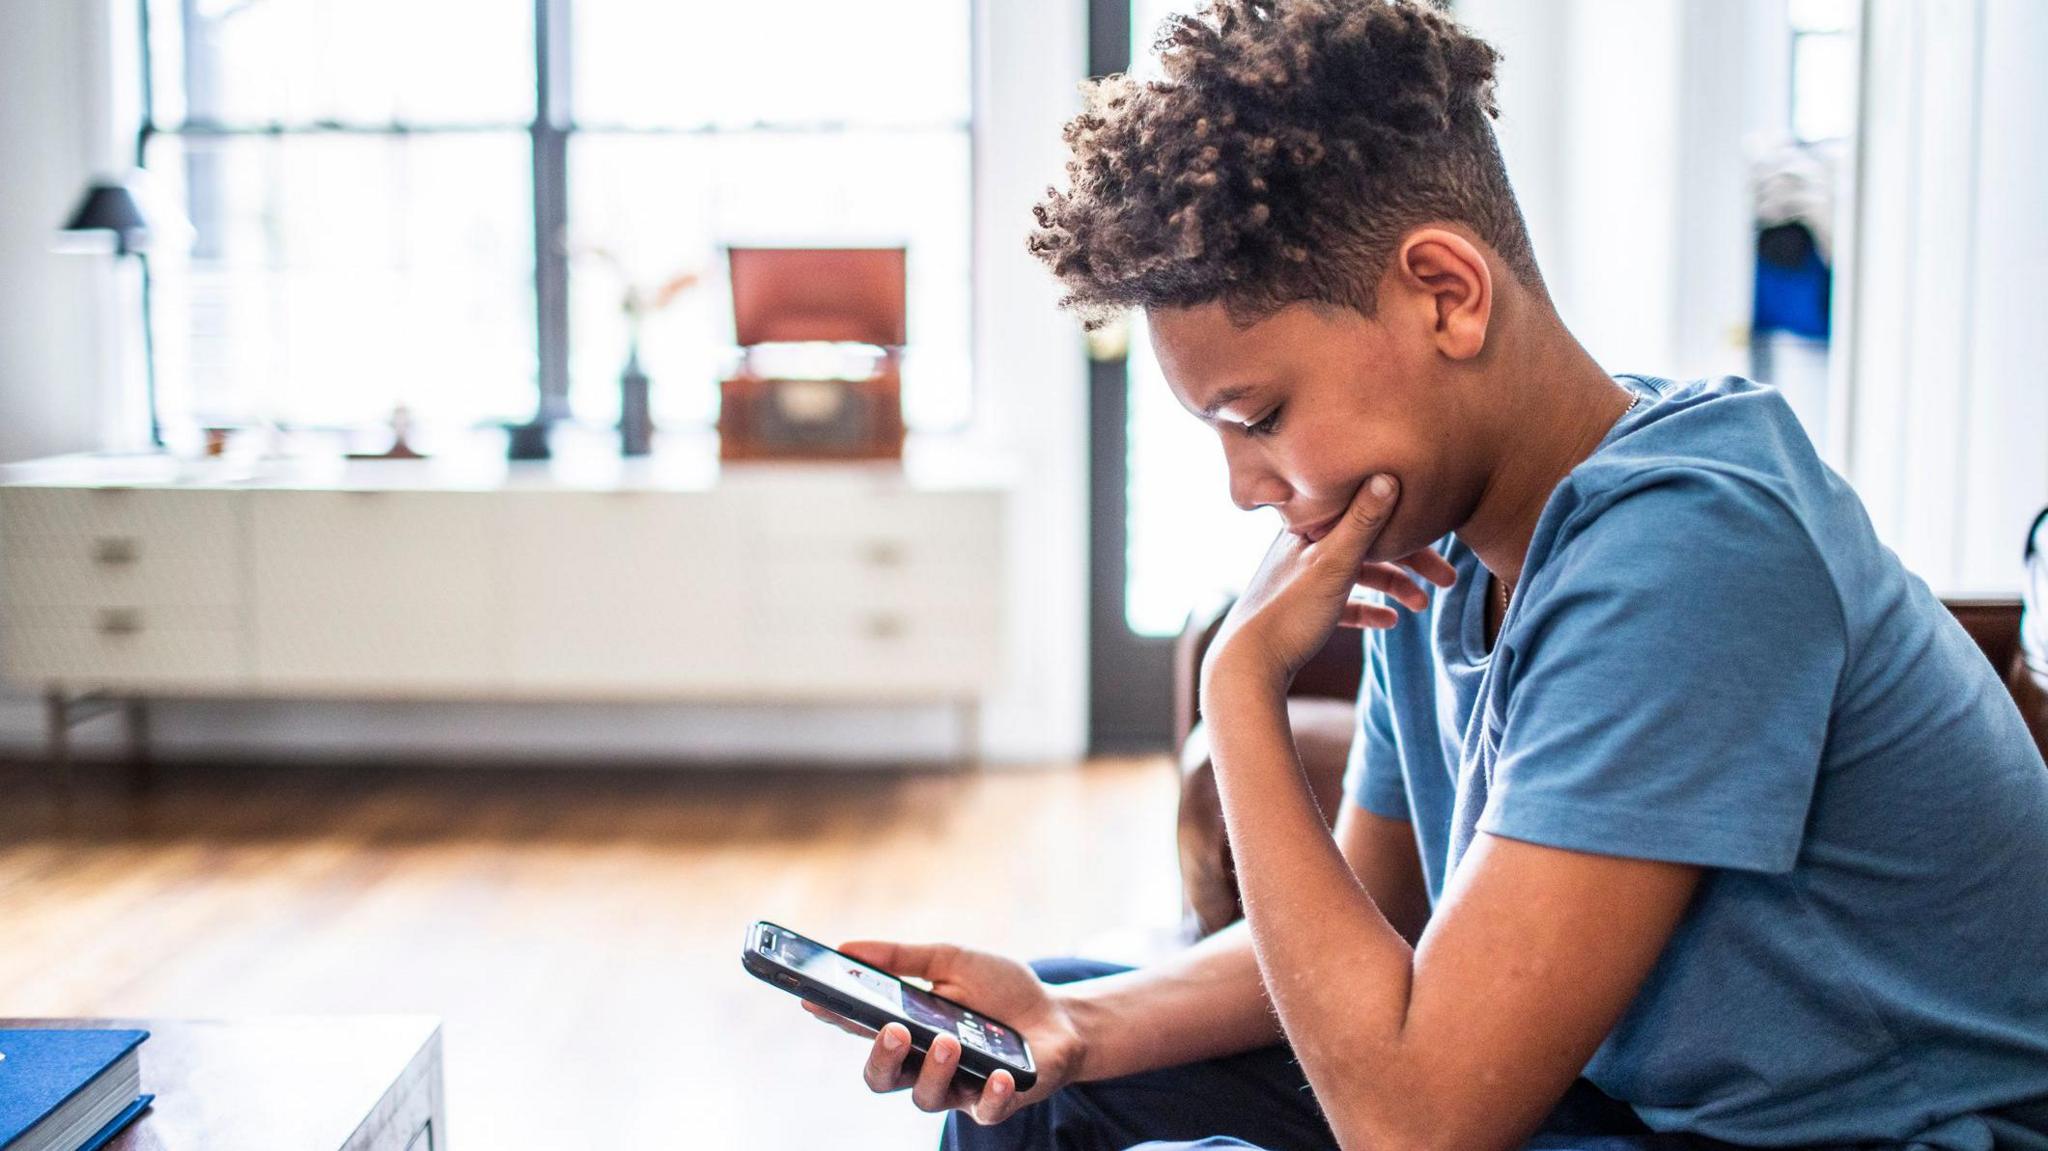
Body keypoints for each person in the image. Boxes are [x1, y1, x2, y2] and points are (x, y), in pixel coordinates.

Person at [800, 2, 2048, 1147]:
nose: (1245, 487)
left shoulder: (1693, 548)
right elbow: (1381, 928)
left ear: (1445, 294)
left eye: (1261, 412)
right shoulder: (1430, 537)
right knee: (1035, 1075)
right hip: (1626, 1098)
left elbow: (1417, 1125)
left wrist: (1241, 688)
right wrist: (1085, 1025)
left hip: (1870, 1136)